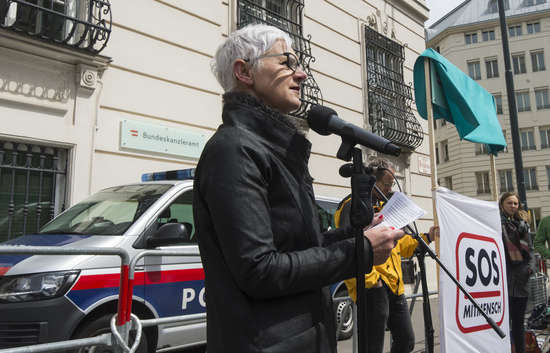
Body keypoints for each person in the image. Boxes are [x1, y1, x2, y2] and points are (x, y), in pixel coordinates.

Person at [192, 24, 405, 353]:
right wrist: (360, 252)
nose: (301, 74)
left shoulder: (276, 151)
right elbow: (259, 269)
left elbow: (305, 247)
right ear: (244, 71)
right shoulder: (234, 149)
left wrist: (358, 235)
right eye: (287, 62)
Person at [335, 157, 438, 353]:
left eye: (392, 184)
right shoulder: (353, 205)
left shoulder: (386, 205)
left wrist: (426, 238)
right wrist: (373, 282)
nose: (391, 188)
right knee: (372, 346)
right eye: (388, 183)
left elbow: (400, 243)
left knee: (406, 342)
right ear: (373, 179)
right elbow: (347, 246)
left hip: (394, 285)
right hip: (372, 285)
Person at [499, 191, 536, 353]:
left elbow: (531, 249)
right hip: (504, 278)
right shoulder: (496, 222)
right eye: (509, 203)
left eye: (515, 203)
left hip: (521, 278)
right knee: (504, 322)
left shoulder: (523, 224)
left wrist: (530, 268)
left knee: (519, 322)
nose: (513, 206)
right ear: (502, 204)